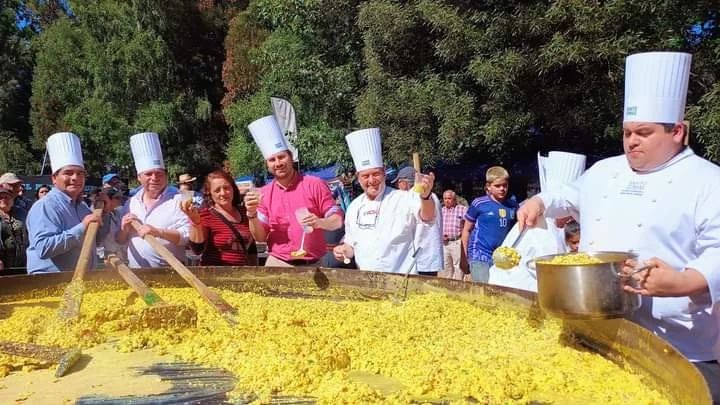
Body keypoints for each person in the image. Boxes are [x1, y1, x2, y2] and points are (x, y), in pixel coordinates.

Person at [517, 52, 720, 400]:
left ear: (678, 131)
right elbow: (566, 197)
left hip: (680, 343)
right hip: (601, 332)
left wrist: (684, 280)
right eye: (627, 132)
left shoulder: (708, 180)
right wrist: (539, 202)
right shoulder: (605, 172)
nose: (632, 141)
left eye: (644, 132)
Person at [332, 128, 436, 273]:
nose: (371, 180)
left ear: (384, 172)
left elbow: (428, 216)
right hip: (366, 282)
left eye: (376, 174)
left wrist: (425, 196)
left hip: (402, 282)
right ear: (358, 177)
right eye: (365, 176)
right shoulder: (354, 207)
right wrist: (343, 251)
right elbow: (351, 246)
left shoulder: (403, 198)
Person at [244, 115, 343, 267]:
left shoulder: (314, 184)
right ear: (267, 165)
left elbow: (337, 221)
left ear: (290, 157)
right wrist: (251, 214)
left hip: (314, 264)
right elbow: (260, 237)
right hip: (278, 263)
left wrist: (320, 222)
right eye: (272, 160)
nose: (278, 163)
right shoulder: (264, 194)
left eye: (281, 157)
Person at [26, 132, 108, 274]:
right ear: (54, 178)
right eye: (68, 173)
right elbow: (44, 248)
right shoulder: (45, 206)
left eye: (80, 173)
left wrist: (104, 213)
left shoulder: (83, 207)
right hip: (49, 283)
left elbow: (97, 240)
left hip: (82, 280)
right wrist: (82, 227)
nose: (75, 178)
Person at [116, 132, 190, 268]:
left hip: (172, 274)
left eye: (159, 173)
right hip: (137, 274)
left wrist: (158, 232)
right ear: (139, 177)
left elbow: (187, 237)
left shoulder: (180, 199)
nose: (154, 178)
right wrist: (124, 229)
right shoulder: (131, 202)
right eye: (148, 174)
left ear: (166, 176)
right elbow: (120, 240)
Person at [181, 170, 253, 266]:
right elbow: (197, 249)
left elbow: (252, 248)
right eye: (217, 190)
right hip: (215, 276)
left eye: (226, 188)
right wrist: (195, 223)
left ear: (233, 189)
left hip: (242, 275)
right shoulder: (206, 215)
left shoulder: (245, 212)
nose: (223, 193)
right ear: (210, 193)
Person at [461, 166, 518, 283]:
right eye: (497, 186)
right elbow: (466, 230)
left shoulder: (513, 206)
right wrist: (464, 257)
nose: (502, 189)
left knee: (500, 290)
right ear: (488, 186)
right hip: (480, 255)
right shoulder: (479, 203)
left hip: (501, 256)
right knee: (484, 290)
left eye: (505, 185)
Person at [440, 190, 468, 280]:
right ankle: (448, 287)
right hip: (444, 244)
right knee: (446, 266)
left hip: (457, 241)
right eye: (445, 198)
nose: (447, 201)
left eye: (449, 198)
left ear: (454, 199)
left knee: (458, 266)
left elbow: (469, 224)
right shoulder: (441, 210)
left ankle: (459, 287)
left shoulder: (462, 209)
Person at [0, 184, 27, 272]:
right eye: (0, 197)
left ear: (12, 200)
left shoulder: (21, 214)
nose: (3, 200)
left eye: (7, 197)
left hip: (21, 263)